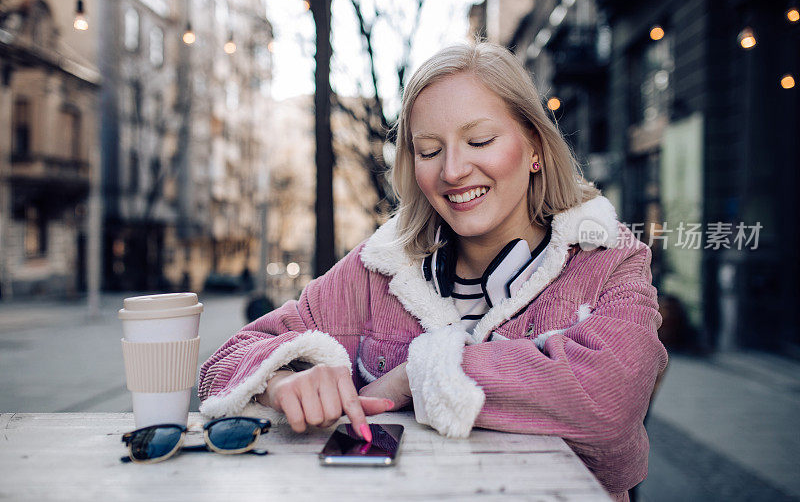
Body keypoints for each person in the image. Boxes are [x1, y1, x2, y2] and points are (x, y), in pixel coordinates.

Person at [198, 42, 667, 501]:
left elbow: (611, 397)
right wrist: (281, 381)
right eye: (428, 150)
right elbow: (222, 365)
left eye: (480, 141)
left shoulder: (607, 258)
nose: (454, 170)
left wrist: (415, 376)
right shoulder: (377, 269)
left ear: (535, 148)